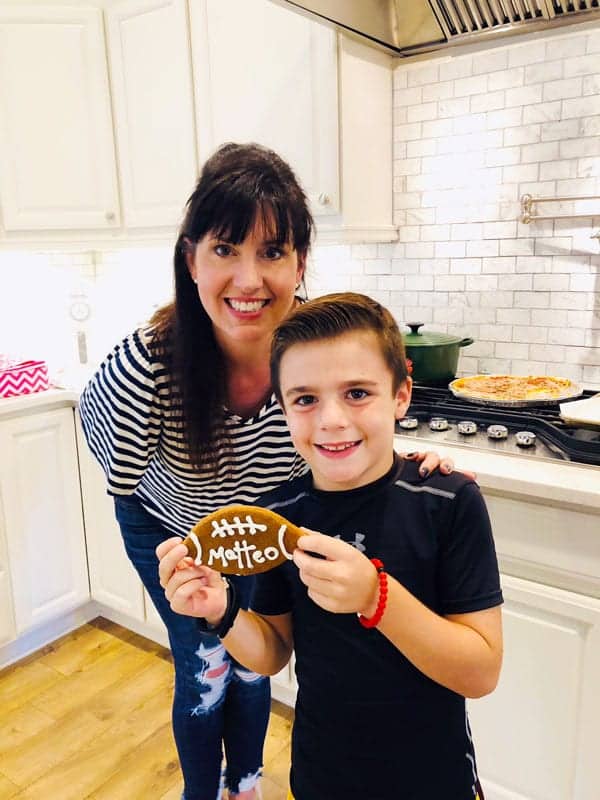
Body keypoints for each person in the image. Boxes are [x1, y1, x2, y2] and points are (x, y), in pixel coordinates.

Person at [79, 143, 459, 800]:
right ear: (191, 257)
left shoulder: (308, 351)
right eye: (225, 250)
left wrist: (414, 465)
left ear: (300, 262)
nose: (249, 279)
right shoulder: (148, 365)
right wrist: (186, 540)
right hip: (166, 521)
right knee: (205, 664)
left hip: (265, 523)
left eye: (272, 252)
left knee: (254, 663)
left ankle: (246, 784)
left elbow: (354, 426)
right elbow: (111, 461)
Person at [157, 291, 504, 800]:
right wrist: (221, 612)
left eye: (358, 393)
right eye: (305, 399)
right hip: (324, 775)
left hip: (434, 776)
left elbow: (480, 671)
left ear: (402, 395)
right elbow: (273, 653)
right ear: (283, 407)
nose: (332, 420)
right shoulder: (281, 518)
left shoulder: (447, 502)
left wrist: (375, 598)